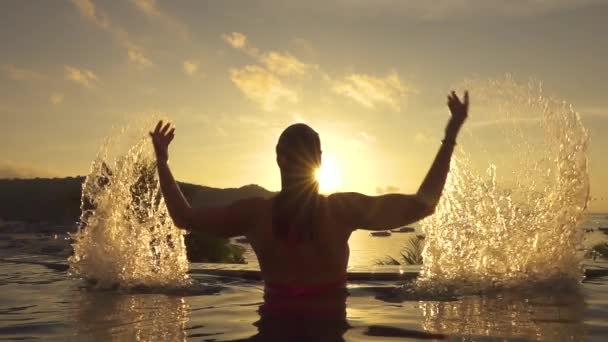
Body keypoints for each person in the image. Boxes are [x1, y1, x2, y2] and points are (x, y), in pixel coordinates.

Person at [149, 91, 469, 318]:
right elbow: (422, 204)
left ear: (278, 159)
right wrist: (449, 136)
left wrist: (163, 161)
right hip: (328, 328)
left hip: (273, 327)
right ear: (319, 161)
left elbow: (184, 217)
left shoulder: (255, 215)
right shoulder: (340, 211)